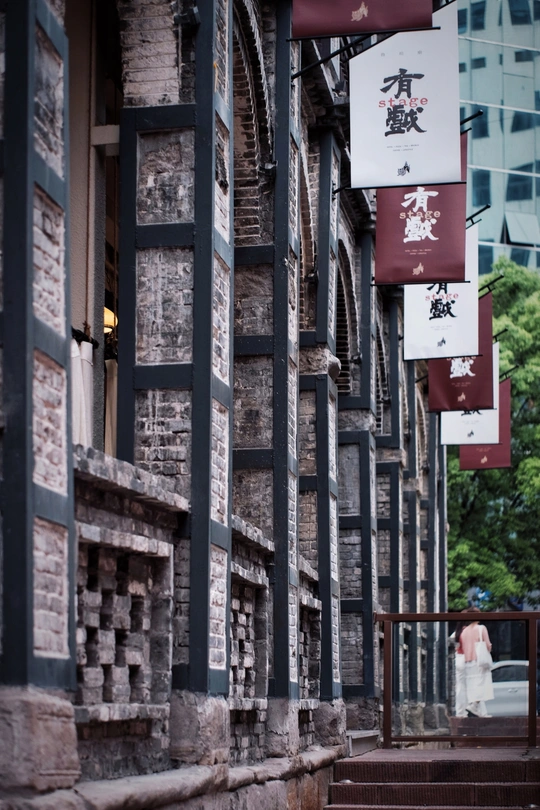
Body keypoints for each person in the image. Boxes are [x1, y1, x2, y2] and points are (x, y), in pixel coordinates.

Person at [459, 607, 494, 717]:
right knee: (482, 684)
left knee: (473, 686)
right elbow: (488, 645)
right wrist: (489, 648)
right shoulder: (481, 628)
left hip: (467, 661)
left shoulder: (464, 631)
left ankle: (477, 709)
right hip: (479, 660)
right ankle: (474, 706)